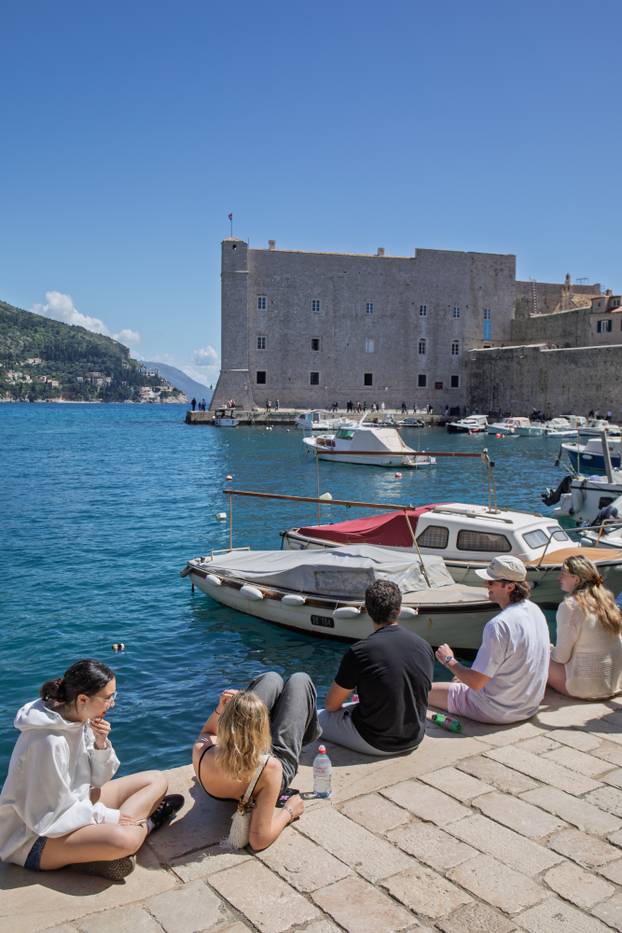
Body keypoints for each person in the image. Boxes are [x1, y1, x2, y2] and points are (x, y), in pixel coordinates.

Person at [0, 660, 182, 880]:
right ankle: (149, 822)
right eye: (107, 698)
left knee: (156, 780)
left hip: (76, 807)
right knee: (124, 839)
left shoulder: (77, 718)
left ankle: (96, 852)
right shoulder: (48, 741)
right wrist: (110, 817)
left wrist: (100, 744)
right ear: (83, 699)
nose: (112, 704)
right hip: (32, 839)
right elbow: (50, 816)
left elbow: (98, 780)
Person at [193, 671, 320, 851]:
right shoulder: (272, 768)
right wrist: (289, 812)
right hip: (259, 775)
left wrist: (220, 709)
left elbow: (208, 732)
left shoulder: (201, 750)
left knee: (272, 678)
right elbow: (258, 840)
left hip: (232, 776)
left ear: (226, 722)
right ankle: (307, 732)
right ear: (264, 729)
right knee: (301, 680)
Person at [318, 580, 434, 755]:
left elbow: (331, 705)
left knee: (314, 718)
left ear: (368, 611)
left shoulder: (359, 651)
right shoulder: (424, 646)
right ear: (399, 610)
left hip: (376, 741)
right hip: (414, 738)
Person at [429, 556, 549, 723]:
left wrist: (448, 660)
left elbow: (476, 683)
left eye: (491, 582)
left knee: (421, 691)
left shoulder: (498, 625)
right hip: (528, 705)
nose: (485, 585)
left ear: (510, 586)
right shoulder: (535, 610)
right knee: (461, 678)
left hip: (496, 710)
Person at [548, 556, 622, 699]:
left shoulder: (569, 606)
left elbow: (561, 657)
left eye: (563, 574)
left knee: (538, 655)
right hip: (615, 683)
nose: (558, 578)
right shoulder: (606, 600)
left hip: (588, 688)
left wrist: (549, 649)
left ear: (576, 579)